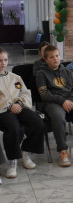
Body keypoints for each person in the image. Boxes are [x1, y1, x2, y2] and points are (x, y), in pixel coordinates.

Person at [0, 47, 44, 178]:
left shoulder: (15, 78)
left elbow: (24, 93)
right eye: (0, 60)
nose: (3, 63)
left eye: (5, 60)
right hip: (3, 111)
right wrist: (9, 105)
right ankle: (12, 161)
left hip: (20, 107)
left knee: (38, 123)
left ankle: (25, 152)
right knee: (13, 128)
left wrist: (19, 103)